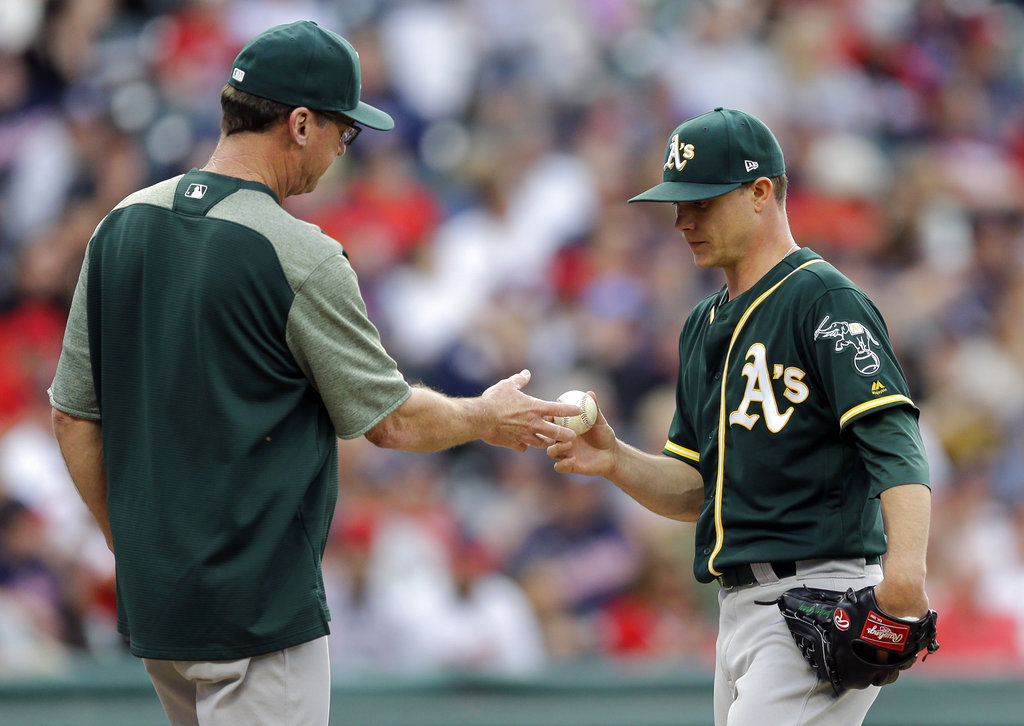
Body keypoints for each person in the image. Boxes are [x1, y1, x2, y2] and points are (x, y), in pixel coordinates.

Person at [47, 21, 580, 726]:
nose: (341, 150)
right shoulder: (297, 252)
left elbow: (73, 415)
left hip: (161, 610)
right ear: (299, 123)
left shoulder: (121, 224)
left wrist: (134, 544)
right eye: (343, 131)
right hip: (258, 615)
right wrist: (485, 414)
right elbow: (392, 422)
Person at [546, 107, 932, 725]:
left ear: (760, 193)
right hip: (739, 607)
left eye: (702, 202)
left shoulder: (821, 297)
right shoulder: (703, 324)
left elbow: (895, 442)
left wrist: (906, 577)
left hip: (818, 597)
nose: (684, 221)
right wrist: (615, 460)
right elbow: (697, 488)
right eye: (678, 205)